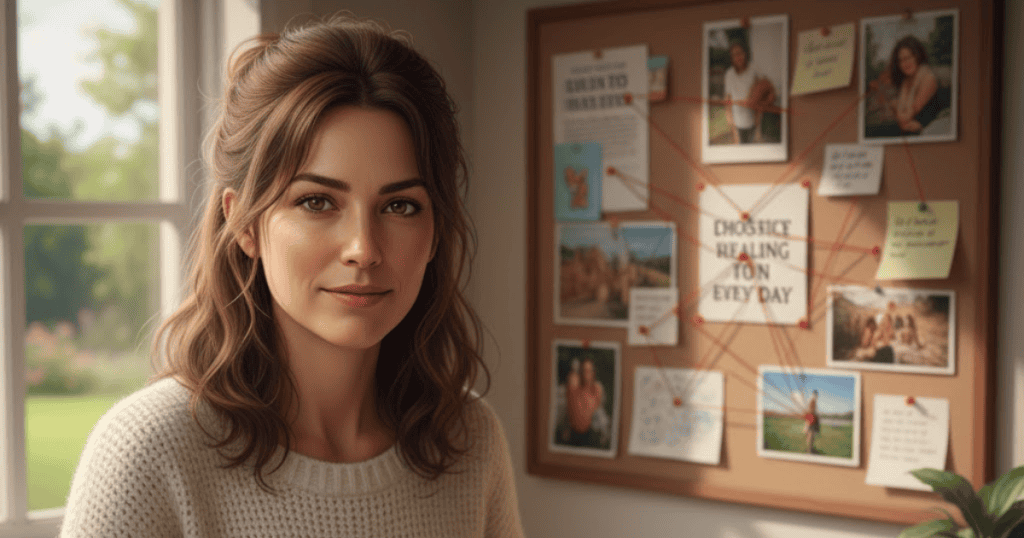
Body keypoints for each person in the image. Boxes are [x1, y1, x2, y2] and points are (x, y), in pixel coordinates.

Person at [60, 15, 524, 537]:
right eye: (317, 201)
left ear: (436, 229)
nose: (364, 249)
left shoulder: (469, 440)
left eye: (399, 206)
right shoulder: (148, 453)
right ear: (245, 224)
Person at [878, 35, 948, 135]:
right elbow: (902, 115)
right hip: (912, 128)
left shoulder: (928, 77)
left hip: (930, 130)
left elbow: (907, 115)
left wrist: (895, 107)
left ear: (917, 56)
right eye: (901, 60)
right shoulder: (906, 81)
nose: (905, 63)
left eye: (908, 57)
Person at [722, 38, 775, 144]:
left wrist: (758, 121)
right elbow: (727, 101)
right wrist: (733, 130)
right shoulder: (729, 74)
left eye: (740, 53)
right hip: (737, 125)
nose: (738, 57)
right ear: (731, 58)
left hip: (754, 125)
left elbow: (767, 90)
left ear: (745, 53)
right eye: (734, 55)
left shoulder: (754, 69)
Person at [566, 357, 607, 446]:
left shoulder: (597, 388)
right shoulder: (576, 386)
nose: (587, 374)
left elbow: (600, 412)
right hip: (575, 434)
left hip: (592, 433)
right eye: (585, 370)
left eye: (590, 370)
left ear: (593, 372)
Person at [803, 390, 819, 454]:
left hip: (811, 419)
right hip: (811, 419)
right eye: (816, 394)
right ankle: (809, 450)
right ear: (815, 394)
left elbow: (810, 410)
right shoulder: (813, 400)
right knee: (811, 435)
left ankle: (810, 449)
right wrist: (809, 422)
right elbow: (811, 411)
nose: (817, 396)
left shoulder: (812, 400)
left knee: (810, 435)